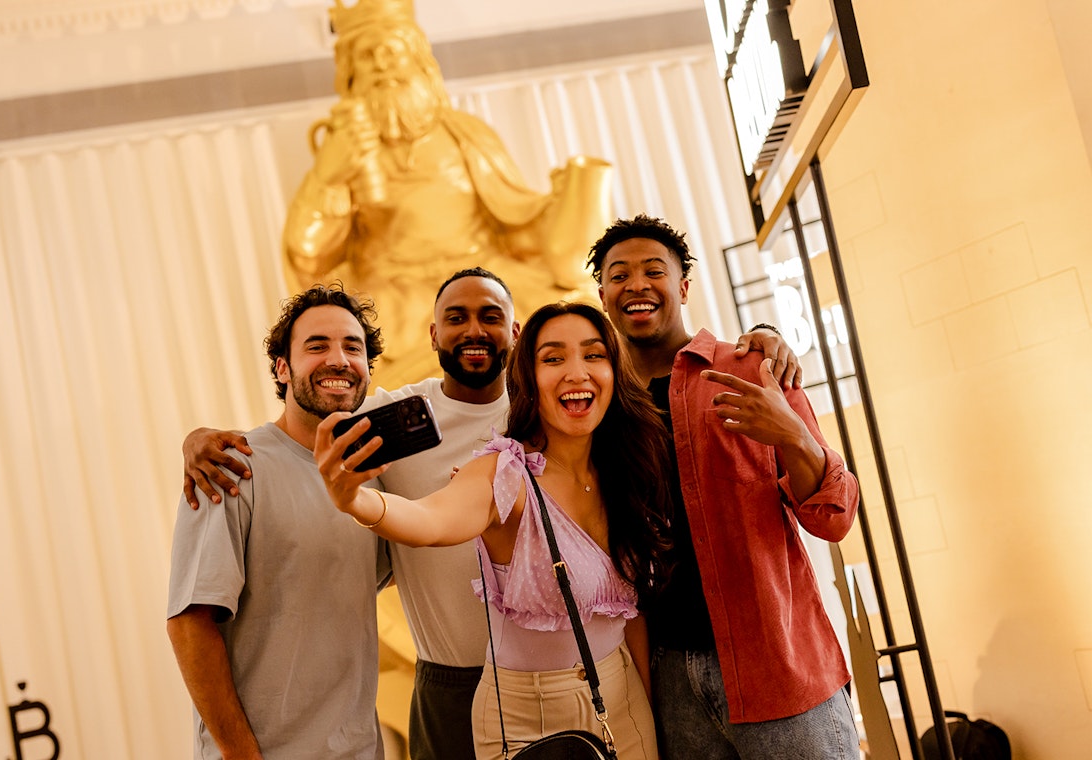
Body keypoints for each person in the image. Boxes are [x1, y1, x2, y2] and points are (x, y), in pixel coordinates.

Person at [181, 270, 799, 758]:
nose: (473, 330)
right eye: (455, 317)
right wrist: (205, 441)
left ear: (515, 335)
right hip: (460, 685)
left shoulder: (560, 414)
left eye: (491, 317)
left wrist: (765, 336)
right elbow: (323, 439)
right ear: (432, 335)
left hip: (594, 673)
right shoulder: (397, 418)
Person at [317, 301, 673, 759]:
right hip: (530, 719)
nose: (576, 372)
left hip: (621, 698)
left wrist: (649, 710)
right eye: (553, 358)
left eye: (593, 354)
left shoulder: (626, 468)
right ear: (527, 378)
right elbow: (431, 522)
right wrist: (355, 500)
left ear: (613, 370)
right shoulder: (507, 472)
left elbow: (629, 615)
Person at [588, 214, 862, 758]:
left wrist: (791, 435)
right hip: (667, 681)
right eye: (619, 275)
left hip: (779, 669)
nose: (636, 285)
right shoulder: (604, 408)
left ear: (684, 286)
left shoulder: (750, 368)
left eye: (652, 271)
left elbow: (834, 518)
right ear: (603, 295)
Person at [285, 0, 613, 386]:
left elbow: (514, 219)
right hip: (397, 296)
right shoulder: (343, 148)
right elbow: (308, 256)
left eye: (392, 52)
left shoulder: (464, 133)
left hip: (487, 275)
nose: (382, 66)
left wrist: (561, 206)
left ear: (419, 62)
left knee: (573, 309)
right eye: (367, 57)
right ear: (352, 74)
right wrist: (328, 176)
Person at [165, 284, 391, 760]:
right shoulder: (230, 465)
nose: (339, 359)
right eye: (317, 345)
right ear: (282, 368)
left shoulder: (371, 477)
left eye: (354, 347)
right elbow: (190, 623)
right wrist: (241, 754)